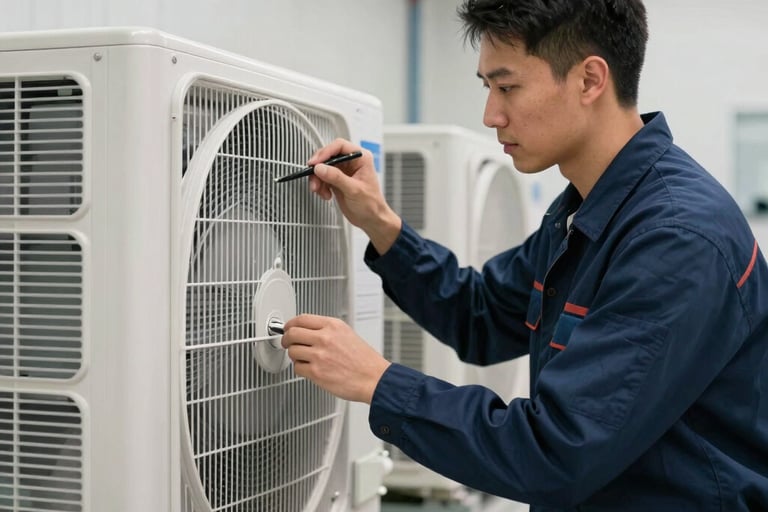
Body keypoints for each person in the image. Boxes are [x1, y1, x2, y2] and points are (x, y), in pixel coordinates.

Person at [280, 1, 768, 510]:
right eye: (486, 87)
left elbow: (556, 453)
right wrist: (379, 223)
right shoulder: (585, 209)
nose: (491, 115)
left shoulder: (675, 239)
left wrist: (376, 381)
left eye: (507, 87)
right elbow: (480, 314)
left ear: (589, 80)